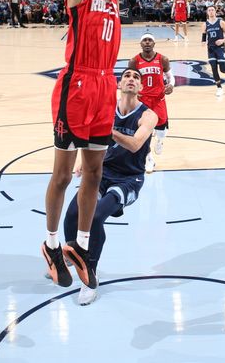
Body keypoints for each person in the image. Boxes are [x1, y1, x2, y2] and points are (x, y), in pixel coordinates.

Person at [41, 0, 136, 290]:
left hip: (104, 87)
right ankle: (50, 245)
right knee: (64, 175)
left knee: (94, 173)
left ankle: (79, 247)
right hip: (75, 87)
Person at [62, 67, 157, 305]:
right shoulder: (106, 108)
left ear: (141, 87)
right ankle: (72, 256)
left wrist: (109, 131)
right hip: (102, 173)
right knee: (72, 215)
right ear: (119, 83)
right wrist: (84, 163)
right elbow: (91, 141)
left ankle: (89, 276)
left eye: (136, 77)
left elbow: (135, 145)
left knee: (94, 219)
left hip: (129, 179)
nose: (131, 79)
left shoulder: (148, 115)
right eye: (127, 76)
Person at [128, 33, 174, 173]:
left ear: (154, 43)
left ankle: (160, 141)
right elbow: (130, 79)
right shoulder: (134, 61)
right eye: (144, 40)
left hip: (158, 99)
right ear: (141, 44)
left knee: (161, 128)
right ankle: (149, 158)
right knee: (143, 131)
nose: (147, 42)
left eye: (150, 40)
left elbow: (170, 77)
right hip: (142, 100)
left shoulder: (163, 59)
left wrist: (171, 85)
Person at [205, 5, 225, 97]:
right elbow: (204, 36)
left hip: (220, 48)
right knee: (214, 69)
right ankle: (219, 88)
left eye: (212, 10)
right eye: (209, 10)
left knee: (222, 69)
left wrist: (222, 40)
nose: (211, 11)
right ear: (207, 12)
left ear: (215, 12)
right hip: (210, 49)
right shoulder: (205, 24)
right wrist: (203, 42)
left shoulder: (221, 22)